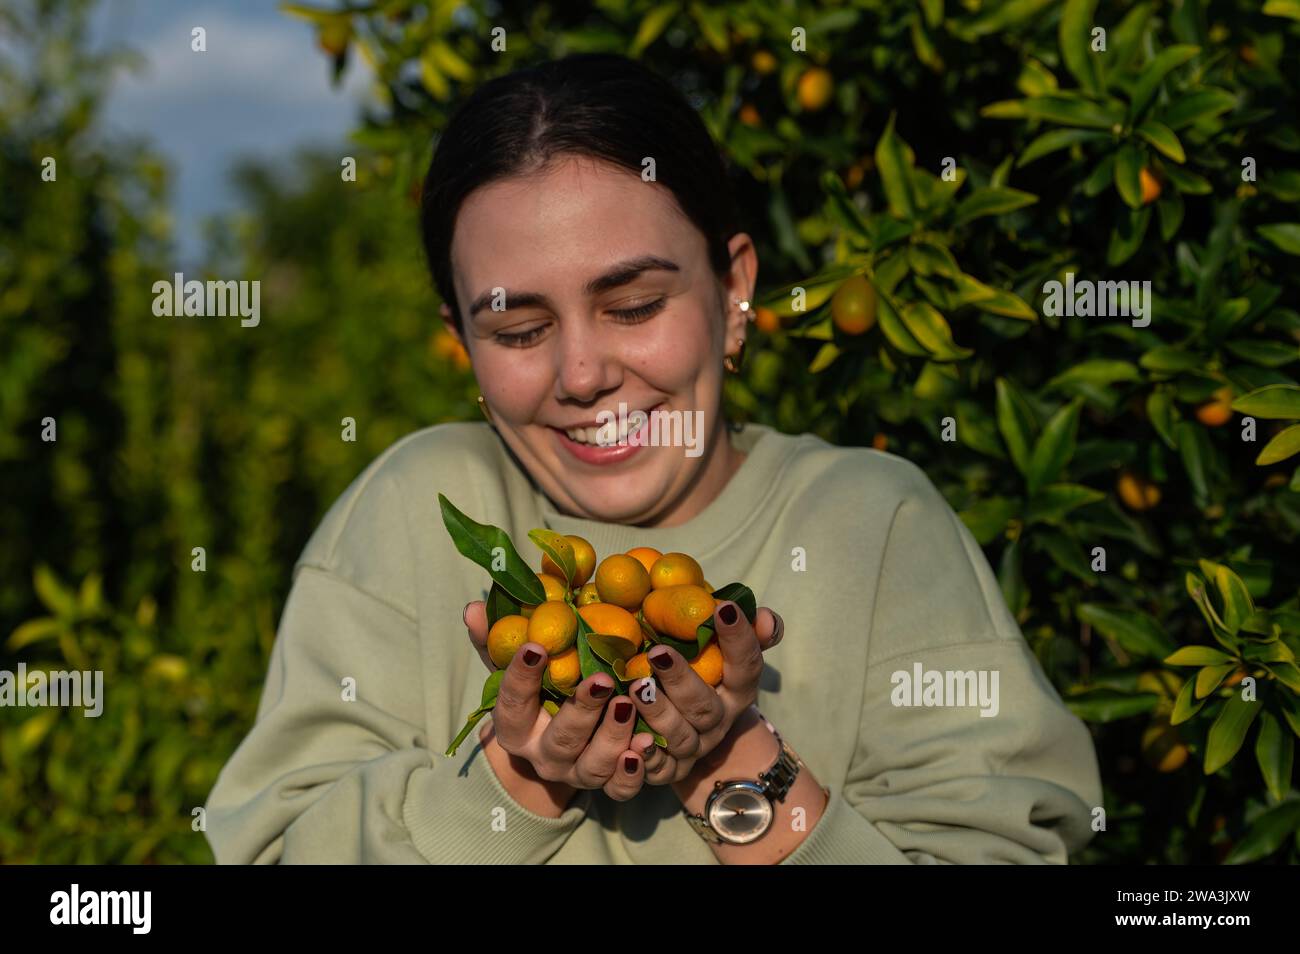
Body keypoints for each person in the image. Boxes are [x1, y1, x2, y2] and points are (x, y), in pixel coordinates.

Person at [204, 52, 1102, 864]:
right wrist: (518, 781)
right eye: (519, 329)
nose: (584, 374)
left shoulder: (870, 525)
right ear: (463, 343)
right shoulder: (411, 510)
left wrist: (731, 762)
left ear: (734, 287)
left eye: (633, 306)